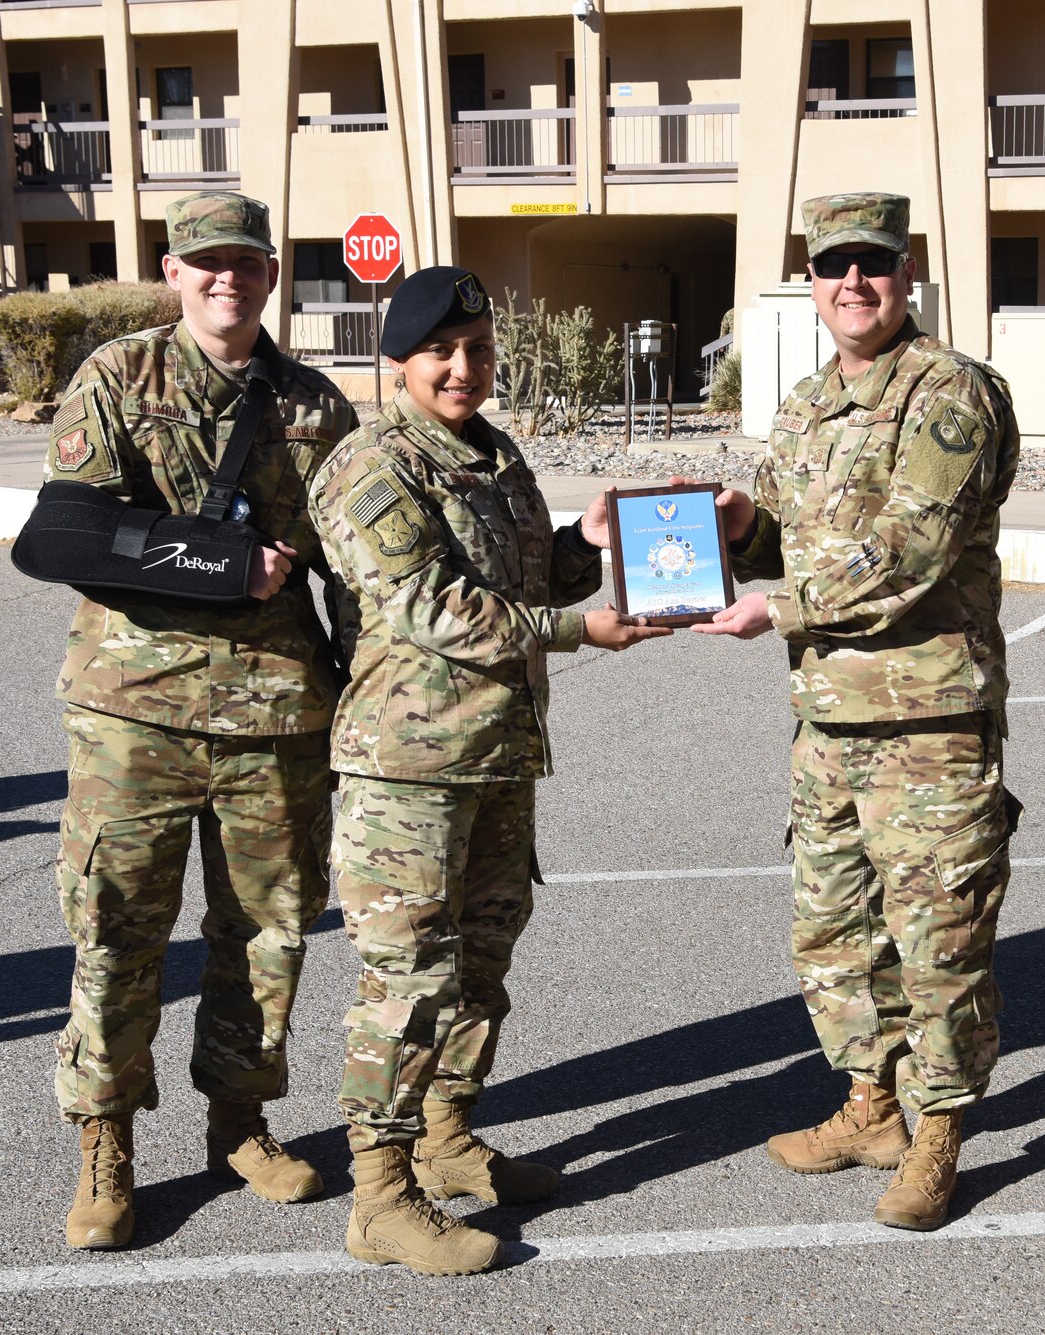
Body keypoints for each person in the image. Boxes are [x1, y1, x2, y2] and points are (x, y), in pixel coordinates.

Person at [310, 266, 668, 1276]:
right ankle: (379, 1195)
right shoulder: (369, 466)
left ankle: (447, 1132)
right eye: (441, 353)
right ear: (398, 363)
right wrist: (577, 627)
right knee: (409, 978)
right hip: (407, 769)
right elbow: (430, 610)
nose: (463, 368)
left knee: (482, 959)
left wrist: (583, 544)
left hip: (498, 755)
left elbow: (516, 575)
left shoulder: (494, 455)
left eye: (476, 350)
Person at [698, 193, 1019, 1232]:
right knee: (834, 934)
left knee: (938, 942)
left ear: (904, 273)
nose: (852, 283)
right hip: (827, 720)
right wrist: (739, 531)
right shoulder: (802, 405)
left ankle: (937, 1134)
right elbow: (784, 539)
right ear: (812, 276)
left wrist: (779, 602)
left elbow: (910, 553)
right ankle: (870, 1102)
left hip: (926, 724)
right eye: (833, 265)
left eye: (871, 265)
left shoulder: (948, 395)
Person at [44, 191, 357, 1249]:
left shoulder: (315, 405)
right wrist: (217, 558)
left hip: (276, 716)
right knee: (116, 931)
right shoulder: (119, 377)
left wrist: (370, 693)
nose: (227, 278)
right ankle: (106, 1141)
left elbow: (358, 565)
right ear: (173, 273)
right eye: (204, 262)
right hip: (132, 714)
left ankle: (241, 1121)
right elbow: (63, 536)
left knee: (265, 934)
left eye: (246, 261)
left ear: (271, 272)